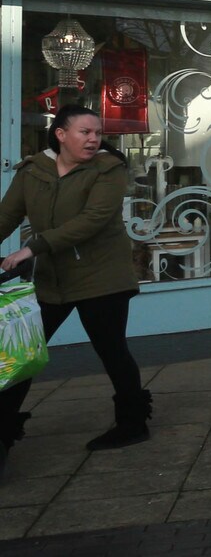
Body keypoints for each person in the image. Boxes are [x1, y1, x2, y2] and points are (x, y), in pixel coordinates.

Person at [0, 105, 150, 470]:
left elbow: (92, 221)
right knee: (20, 357)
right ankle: (2, 435)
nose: (94, 138)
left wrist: (30, 248)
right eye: (84, 132)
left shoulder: (107, 169)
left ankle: (132, 423)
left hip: (101, 278)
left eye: (97, 132)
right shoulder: (33, 170)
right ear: (60, 134)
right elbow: (7, 214)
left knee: (111, 350)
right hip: (53, 279)